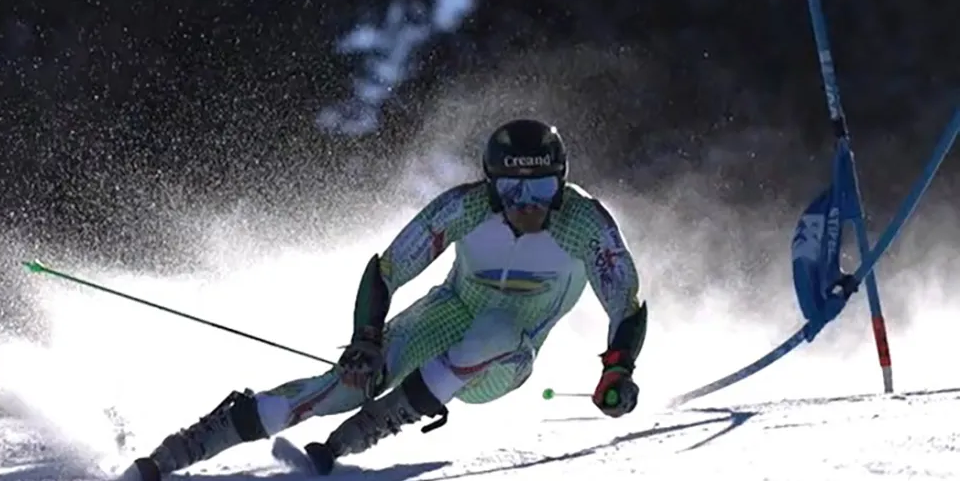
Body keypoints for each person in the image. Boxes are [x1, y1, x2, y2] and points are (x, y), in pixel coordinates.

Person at [120, 118, 648, 480]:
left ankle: (383, 419)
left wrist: (617, 369)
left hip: (508, 357)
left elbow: (625, 299)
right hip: (446, 317)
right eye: (513, 190)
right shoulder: (465, 208)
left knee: (496, 331)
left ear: (563, 182)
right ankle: (185, 448)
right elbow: (387, 270)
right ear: (491, 184)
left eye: (541, 190)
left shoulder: (583, 223)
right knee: (343, 388)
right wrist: (365, 342)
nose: (528, 206)